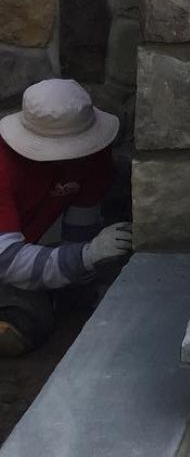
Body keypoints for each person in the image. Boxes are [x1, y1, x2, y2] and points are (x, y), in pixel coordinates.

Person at [0, 79, 133, 357]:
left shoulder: (94, 158)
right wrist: (87, 256)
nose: (73, 156)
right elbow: (7, 260)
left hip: (24, 247)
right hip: (7, 256)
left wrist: (88, 275)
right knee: (24, 324)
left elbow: (80, 227)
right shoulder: (3, 167)